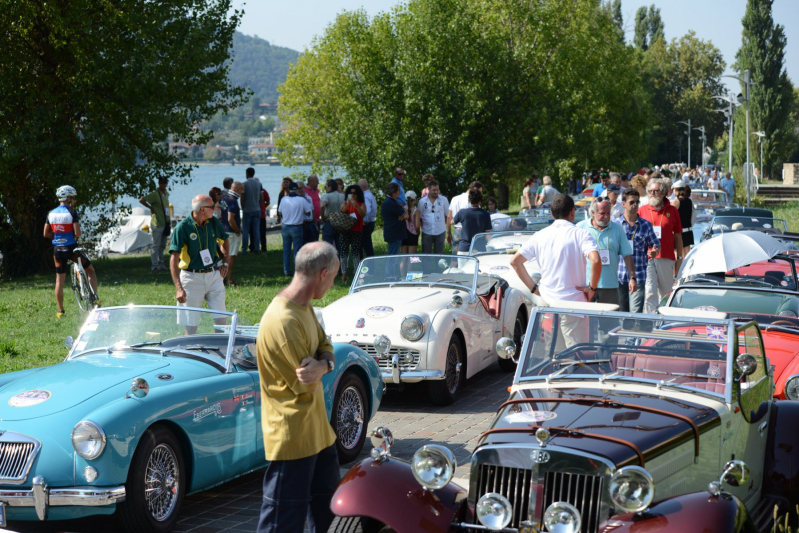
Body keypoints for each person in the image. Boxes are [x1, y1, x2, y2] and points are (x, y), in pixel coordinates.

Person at [255, 242, 340, 533]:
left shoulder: (304, 306)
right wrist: (322, 366)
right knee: (282, 523)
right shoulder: (284, 321)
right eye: (333, 278)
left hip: (319, 434)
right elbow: (307, 386)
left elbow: (326, 347)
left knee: (331, 518)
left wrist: (324, 365)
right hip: (292, 440)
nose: (332, 284)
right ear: (323, 274)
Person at [510, 194, 600, 345]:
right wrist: (592, 288)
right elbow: (596, 260)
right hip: (574, 304)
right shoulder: (582, 234)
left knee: (550, 355)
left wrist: (535, 289)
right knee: (577, 354)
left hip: (547, 302)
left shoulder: (539, 235)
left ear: (552, 214)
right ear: (572, 212)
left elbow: (515, 262)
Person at [168, 194, 229, 335]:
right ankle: (190, 348)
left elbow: (225, 241)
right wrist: (179, 288)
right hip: (191, 278)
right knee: (191, 324)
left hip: (214, 276)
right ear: (202, 209)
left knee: (221, 321)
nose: (215, 209)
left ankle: (219, 347)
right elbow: (173, 258)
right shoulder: (182, 228)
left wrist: (224, 262)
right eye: (212, 206)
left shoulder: (213, 222)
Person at [45, 185, 100, 317]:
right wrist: (69, 236)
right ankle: (95, 298)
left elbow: (46, 233)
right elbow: (78, 233)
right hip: (71, 248)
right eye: (73, 198)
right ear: (68, 198)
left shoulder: (51, 213)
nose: (74, 200)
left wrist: (58, 237)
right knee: (90, 270)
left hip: (58, 250)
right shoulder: (72, 212)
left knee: (59, 281)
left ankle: (60, 311)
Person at [576, 198, 634, 306]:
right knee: (587, 316)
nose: (606, 216)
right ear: (593, 213)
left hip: (610, 285)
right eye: (602, 213)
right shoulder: (580, 228)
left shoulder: (617, 228)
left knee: (609, 317)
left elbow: (627, 254)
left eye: (608, 213)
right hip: (586, 285)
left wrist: (632, 277)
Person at [638, 178, 683, 314]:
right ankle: (650, 321)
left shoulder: (672, 210)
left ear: (663, 193)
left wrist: (679, 258)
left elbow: (678, 236)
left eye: (656, 191)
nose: (652, 193)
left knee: (666, 292)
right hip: (647, 258)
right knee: (650, 291)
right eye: (650, 191)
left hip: (666, 257)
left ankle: (665, 319)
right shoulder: (642, 210)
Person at [615, 189, 660, 313]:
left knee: (635, 313)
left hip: (638, 275)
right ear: (623, 204)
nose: (635, 205)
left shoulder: (646, 225)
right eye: (631, 202)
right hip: (619, 275)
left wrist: (655, 251)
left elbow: (656, 245)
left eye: (637, 202)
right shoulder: (616, 225)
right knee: (622, 313)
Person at [138, 176, 171, 272]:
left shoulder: (166, 194)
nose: (163, 184)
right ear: (159, 183)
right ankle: (154, 266)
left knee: (162, 246)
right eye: (161, 183)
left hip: (165, 223)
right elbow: (141, 200)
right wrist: (150, 207)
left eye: (165, 182)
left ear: (167, 183)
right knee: (156, 245)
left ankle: (161, 265)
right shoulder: (155, 194)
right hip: (157, 223)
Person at [279, 182, 310, 276]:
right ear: (297, 190)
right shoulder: (301, 200)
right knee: (297, 250)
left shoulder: (284, 199)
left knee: (286, 250)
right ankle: (297, 271)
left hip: (285, 226)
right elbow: (308, 213)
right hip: (297, 227)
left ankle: (286, 271)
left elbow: (280, 212)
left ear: (289, 190)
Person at [339, 184, 366, 281]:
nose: (352, 195)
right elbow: (342, 212)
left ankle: (356, 272)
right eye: (350, 193)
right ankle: (343, 273)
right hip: (345, 230)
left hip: (356, 230)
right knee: (343, 252)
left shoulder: (361, 204)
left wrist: (356, 205)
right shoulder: (345, 203)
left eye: (354, 193)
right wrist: (348, 203)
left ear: (358, 194)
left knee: (356, 252)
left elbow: (362, 214)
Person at [452, 188, 491, 255]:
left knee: (462, 262)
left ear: (469, 200)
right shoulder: (485, 214)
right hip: (480, 247)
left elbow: (452, 222)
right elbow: (488, 234)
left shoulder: (462, 212)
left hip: (464, 247)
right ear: (480, 201)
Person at [220, 181, 244, 286]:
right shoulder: (233, 201)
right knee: (231, 256)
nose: (242, 192)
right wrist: (237, 230)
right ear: (237, 189)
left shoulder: (223, 198)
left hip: (223, 230)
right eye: (241, 189)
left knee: (223, 255)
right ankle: (229, 279)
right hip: (231, 232)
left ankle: (221, 278)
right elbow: (231, 219)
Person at [416, 179, 449, 253]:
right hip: (427, 232)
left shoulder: (444, 200)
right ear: (429, 189)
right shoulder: (422, 201)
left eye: (437, 190)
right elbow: (419, 217)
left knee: (439, 255)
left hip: (440, 231)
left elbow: (447, 216)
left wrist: (448, 231)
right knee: (426, 255)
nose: (436, 192)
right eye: (434, 190)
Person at [448, 180, 483, 248]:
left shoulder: (454, 198)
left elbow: (449, 217)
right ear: (475, 189)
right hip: (468, 231)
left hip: (456, 230)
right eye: (480, 191)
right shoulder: (473, 200)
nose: (480, 194)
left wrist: (449, 233)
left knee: (456, 253)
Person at [240, 167, 263, 254]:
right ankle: (256, 248)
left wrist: (243, 207)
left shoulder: (244, 184)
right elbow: (261, 197)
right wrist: (259, 206)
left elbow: (242, 198)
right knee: (256, 230)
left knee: (245, 231)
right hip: (256, 209)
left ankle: (244, 249)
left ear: (247, 173)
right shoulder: (259, 184)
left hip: (247, 209)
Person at [382, 182, 408, 255]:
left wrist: (401, 213)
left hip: (393, 233)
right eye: (398, 190)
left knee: (395, 256)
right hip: (394, 234)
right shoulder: (391, 203)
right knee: (393, 258)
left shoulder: (389, 202)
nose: (400, 192)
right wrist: (405, 209)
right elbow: (406, 216)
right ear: (393, 192)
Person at [672, 181, 695, 258]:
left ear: (676, 190)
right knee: (686, 256)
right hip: (688, 231)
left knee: (678, 256)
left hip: (679, 233)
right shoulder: (689, 201)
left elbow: (668, 215)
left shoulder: (676, 202)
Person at [359, 179, 377, 258]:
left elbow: (367, 211)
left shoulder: (364, 196)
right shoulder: (370, 194)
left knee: (363, 246)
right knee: (367, 244)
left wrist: (365, 220)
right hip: (370, 222)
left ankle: (363, 263)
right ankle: (370, 262)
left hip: (366, 224)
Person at [297, 181, 317, 245]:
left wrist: (315, 223)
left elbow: (312, 211)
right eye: (298, 188)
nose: (300, 190)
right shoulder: (295, 199)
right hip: (301, 224)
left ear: (304, 188)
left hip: (310, 223)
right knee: (302, 244)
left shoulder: (309, 198)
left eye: (301, 188)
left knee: (312, 243)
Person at [258, 178, 271, 253]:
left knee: (262, 233)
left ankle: (263, 248)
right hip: (259, 214)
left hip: (262, 215)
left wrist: (263, 207)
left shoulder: (263, 191)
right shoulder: (262, 191)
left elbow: (268, 201)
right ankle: (256, 248)